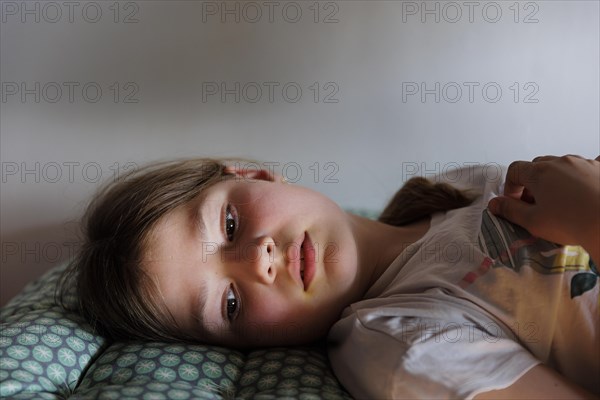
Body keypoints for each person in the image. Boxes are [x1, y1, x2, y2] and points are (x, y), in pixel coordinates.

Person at [59, 155, 599, 399]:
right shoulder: (402, 345)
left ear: (251, 173)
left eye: (228, 224)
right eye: (228, 303)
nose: (259, 262)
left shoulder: (458, 185)